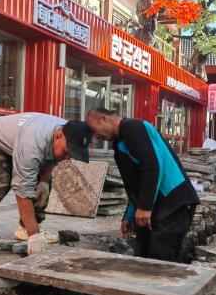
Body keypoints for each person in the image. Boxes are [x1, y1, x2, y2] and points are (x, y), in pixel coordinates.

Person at [0, 112, 92, 258]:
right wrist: (35, 236)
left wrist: (44, 182)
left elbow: (51, 157)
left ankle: (25, 228)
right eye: (67, 151)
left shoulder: (69, 131)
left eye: (71, 155)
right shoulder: (32, 144)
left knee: (42, 182)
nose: (66, 157)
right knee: (0, 180)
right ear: (58, 135)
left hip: (15, 141)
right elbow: (23, 191)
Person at [85, 108, 200, 262]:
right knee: (141, 259)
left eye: (93, 129)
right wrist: (130, 216)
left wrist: (144, 208)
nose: (95, 136)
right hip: (157, 207)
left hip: (174, 204)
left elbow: (152, 166)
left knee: (160, 263)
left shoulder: (133, 127)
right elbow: (135, 185)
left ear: (104, 119)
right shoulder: (120, 144)